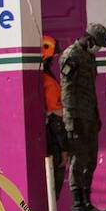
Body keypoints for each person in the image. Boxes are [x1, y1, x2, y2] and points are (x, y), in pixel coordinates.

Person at [59, 24, 106, 211]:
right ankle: (78, 203)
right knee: (78, 160)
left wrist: (95, 115)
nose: (98, 48)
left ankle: (87, 200)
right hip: (76, 117)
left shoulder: (89, 57)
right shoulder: (71, 56)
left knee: (90, 159)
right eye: (97, 44)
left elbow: (90, 90)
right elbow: (67, 90)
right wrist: (71, 118)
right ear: (89, 40)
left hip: (89, 116)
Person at [40, 35, 67, 199]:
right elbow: (56, 114)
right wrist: (64, 148)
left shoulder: (43, 79)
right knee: (52, 188)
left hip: (48, 138)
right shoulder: (48, 82)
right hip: (53, 141)